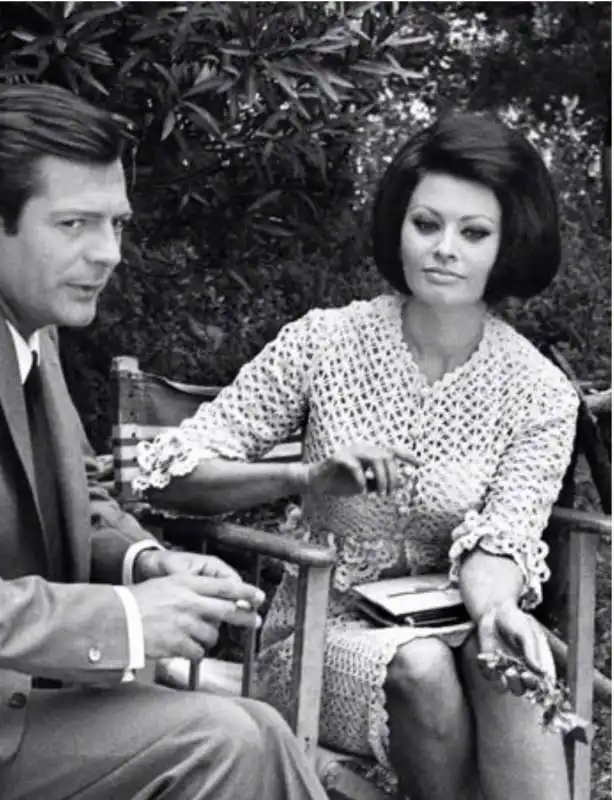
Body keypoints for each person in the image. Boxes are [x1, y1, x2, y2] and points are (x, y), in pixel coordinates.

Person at [0, 83, 330, 800]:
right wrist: (120, 622)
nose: (108, 253)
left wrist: (148, 565)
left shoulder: (24, 311)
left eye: (115, 223)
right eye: (75, 224)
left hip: (0, 700)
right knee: (235, 742)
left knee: (250, 734)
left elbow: (72, 491)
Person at [135, 110, 579, 800]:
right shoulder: (323, 343)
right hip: (316, 634)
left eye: (474, 232)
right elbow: (169, 475)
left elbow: (506, 536)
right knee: (423, 667)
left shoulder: (539, 392)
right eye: (426, 224)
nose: (444, 249)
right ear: (398, 224)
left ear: (509, 244)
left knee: (509, 662)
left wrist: (496, 612)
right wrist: (303, 478)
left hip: (453, 627)